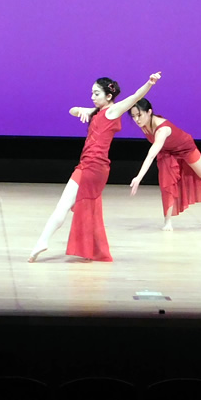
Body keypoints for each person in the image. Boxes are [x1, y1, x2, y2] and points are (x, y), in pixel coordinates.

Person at [29, 72, 162, 263]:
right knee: (88, 209)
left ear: (109, 96)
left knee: (63, 205)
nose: (92, 97)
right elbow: (72, 111)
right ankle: (90, 249)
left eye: (97, 94)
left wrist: (149, 83)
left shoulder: (112, 111)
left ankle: (42, 241)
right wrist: (81, 110)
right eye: (92, 93)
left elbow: (135, 97)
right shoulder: (97, 111)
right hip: (94, 167)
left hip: (91, 166)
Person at [128, 98, 201, 230]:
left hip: (185, 148)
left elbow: (151, 155)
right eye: (133, 116)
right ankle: (167, 222)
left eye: (139, 115)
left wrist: (138, 177)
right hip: (167, 152)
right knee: (167, 184)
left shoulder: (162, 130)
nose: (137, 120)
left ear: (149, 112)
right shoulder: (144, 125)